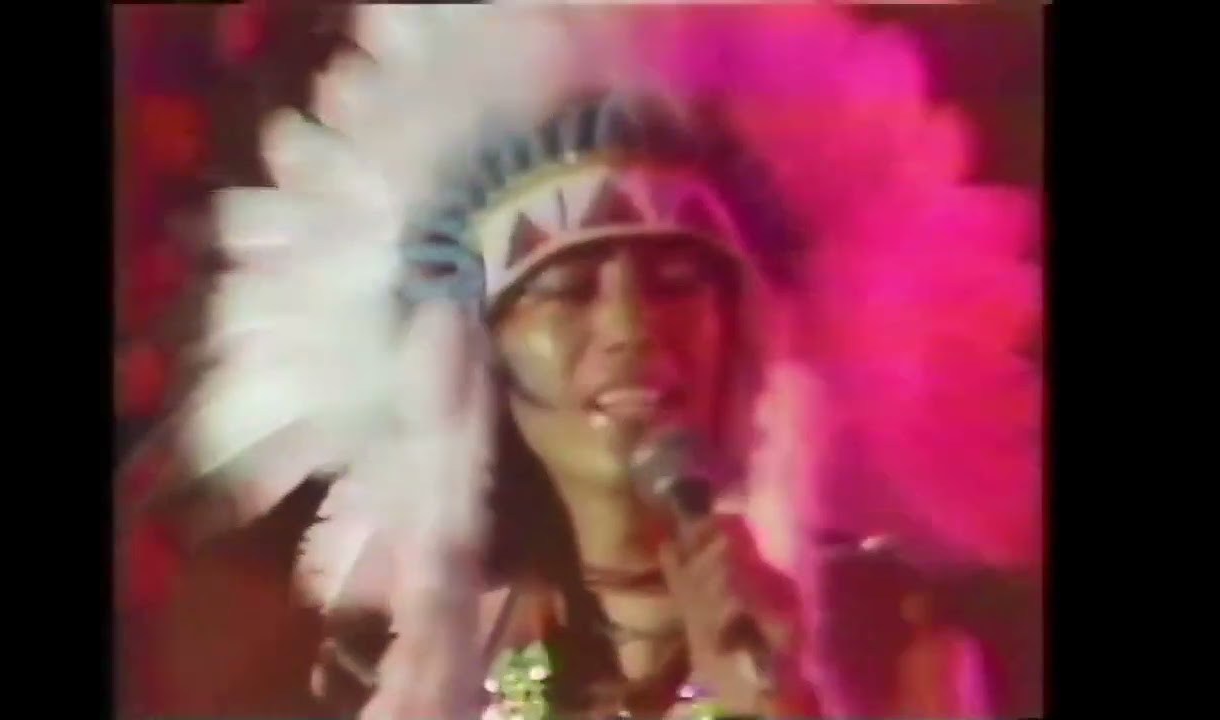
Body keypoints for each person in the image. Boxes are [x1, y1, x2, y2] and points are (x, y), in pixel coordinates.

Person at [137, 4, 1042, 719]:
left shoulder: (892, 655)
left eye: (676, 279)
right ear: (479, 361)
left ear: (749, 332)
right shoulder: (391, 662)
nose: (629, 326)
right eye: (566, 290)